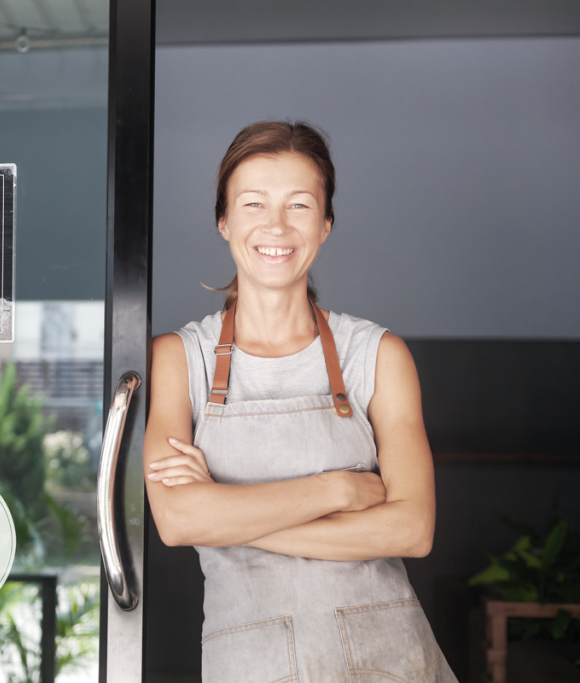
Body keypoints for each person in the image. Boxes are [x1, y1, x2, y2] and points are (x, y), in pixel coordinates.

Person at [143, 121, 458, 683]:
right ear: (224, 220)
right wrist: (334, 490)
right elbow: (176, 519)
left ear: (327, 223)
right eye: (254, 203)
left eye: (300, 205)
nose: (276, 226)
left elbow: (412, 530)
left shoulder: (378, 355)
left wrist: (226, 513)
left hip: (387, 658)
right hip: (249, 662)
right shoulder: (176, 359)